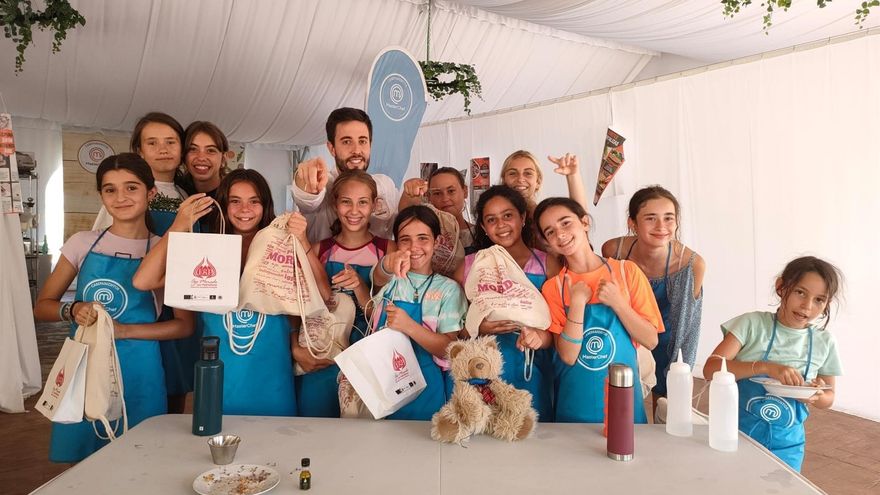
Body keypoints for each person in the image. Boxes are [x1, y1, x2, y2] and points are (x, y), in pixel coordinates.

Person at [35, 153, 194, 462]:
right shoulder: (82, 243)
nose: (120, 197)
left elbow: (184, 326)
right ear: (101, 196)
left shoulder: (168, 247)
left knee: (141, 459)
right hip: (84, 367)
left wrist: (123, 331)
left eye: (131, 188)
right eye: (110, 189)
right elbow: (42, 306)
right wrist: (73, 309)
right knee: (81, 463)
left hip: (141, 370)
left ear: (151, 194)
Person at [134, 169, 330, 416]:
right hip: (218, 379)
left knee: (277, 446)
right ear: (224, 206)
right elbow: (144, 280)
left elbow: (320, 295)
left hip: (272, 374)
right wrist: (178, 225)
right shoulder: (205, 249)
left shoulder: (280, 248)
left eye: (254, 201)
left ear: (265, 205)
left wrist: (302, 240)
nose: (244, 209)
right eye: (235, 201)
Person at [702, 256, 843, 471]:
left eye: (819, 300)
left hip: (788, 445)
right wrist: (765, 367)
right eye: (800, 292)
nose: (807, 306)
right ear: (781, 287)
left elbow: (829, 397)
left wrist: (819, 395)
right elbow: (711, 368)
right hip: (736, 436)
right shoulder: (752, 324)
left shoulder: (824, 342)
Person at [535, 197, 662, 424]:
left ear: (584, 222)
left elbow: (650, 340)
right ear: (547, 242)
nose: (560, 234)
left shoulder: (627, 272)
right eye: (550, 232)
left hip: (624, 406)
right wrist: (577, 305)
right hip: (574, 408)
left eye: (565, 223)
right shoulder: (553, 287)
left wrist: (619, 303)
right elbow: (568, 355)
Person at [454, 185, 560, 420]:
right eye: (491, 219)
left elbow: (559, 330)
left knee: (533, 441)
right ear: (483, 226)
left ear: (523, 218)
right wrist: (477, 328)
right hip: (482, 373)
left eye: (508, 216)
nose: (501, 225)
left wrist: (539, 337)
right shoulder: (469, 267)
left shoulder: (548, 265)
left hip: (533, 372)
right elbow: (451, 330)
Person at [295, 170, 396, 417]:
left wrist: (361, 287)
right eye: (346, 201)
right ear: (334, 203)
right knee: (314, 429)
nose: (354, 210)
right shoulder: (319, 249)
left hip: (367, 360)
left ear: (374, 205)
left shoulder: (387, 250)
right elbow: (298, 308)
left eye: (363, 202)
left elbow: (394, 314)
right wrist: (297, 351)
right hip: (322, 357)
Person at [601, 186, 705, 403]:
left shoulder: (692, 265)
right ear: (632, 223)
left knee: (665, 402)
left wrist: (680, 374)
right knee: (625, 396)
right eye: (651, 218)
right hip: (629, 331)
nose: (661, 227)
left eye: (669, 218)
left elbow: (688, 329)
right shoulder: (614, 250)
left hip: (669, 338)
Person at [371, 205, 468, 420]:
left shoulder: (448, 290)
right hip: (383, 381)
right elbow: (378, 278)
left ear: (438, 241)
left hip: (427, 388)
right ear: (396, 244)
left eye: (423, 238)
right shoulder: (392, 278)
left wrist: (409, 326)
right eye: (405, 239)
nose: (414, 247)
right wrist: (387, 264)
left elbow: (448, 348)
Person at [291, 108, 399, 243]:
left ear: (370, 145)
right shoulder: (323, 184)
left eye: (362, 141)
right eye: (347, 141)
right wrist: (305, 177)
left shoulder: (385, 185)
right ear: (332, 148)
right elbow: (306, 199)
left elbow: (402, 225)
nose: (357, 150)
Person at [93, 112, 188, 233]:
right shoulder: (127, 194)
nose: (163, 150)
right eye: (152, 143)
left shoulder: (185, 194)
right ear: (140, 151)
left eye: (170, 142)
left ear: (182, 149)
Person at [399, 167, 475, 252]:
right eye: (437, 193)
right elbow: (404, 216)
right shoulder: (424, 233)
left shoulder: (480, 233)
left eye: (451, 191)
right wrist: (410, 191)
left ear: (465, 191)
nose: (445, 199)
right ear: (429, 197)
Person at [179, 121, 233, 232]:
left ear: (223, 158)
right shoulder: (176, 191)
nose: (201, 157)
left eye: (210, 150)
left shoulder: (234, 193)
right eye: (193, 149)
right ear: (184, 157)